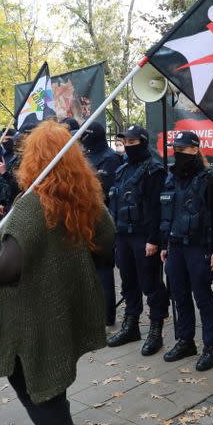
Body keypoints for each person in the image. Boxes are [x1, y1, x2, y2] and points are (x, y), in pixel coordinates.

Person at [0, 120, 115, 425]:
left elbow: (6, 267)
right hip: (62, 306)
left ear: (33, 159)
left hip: (30, 314)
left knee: (34, 384)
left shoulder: (34, 204)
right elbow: (106, 247)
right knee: (51, 374)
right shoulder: (88, 198)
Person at [160, 131, 213, 371]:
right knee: (179, 295)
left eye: (183, 149)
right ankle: (185, 340)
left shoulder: (211, 181)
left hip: (199, 247)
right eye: (176, 150)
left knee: (203, 296)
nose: (178, 154)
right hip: (176, 246)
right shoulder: (171, 178)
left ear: (195, 149)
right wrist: (165, 244)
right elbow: (167, 213)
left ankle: (211, 347)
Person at [106, 125, 169, 355]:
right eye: (126, 143)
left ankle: (156, 329)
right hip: (123, 235)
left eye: (133, 143)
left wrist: (155, 239)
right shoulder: (122, 170)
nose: (129, 147)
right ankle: (131, 325)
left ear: (142, 142)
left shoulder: (155, 171)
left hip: (144, 236)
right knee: (128, 282)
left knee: (151, 283)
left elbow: (157, 208)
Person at [81, 121, 122, 326]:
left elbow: (106, 191)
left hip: (102, 218)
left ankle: (107, 316)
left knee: (104, 270)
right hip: (84, 219)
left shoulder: (111, 158)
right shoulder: (85, 156)